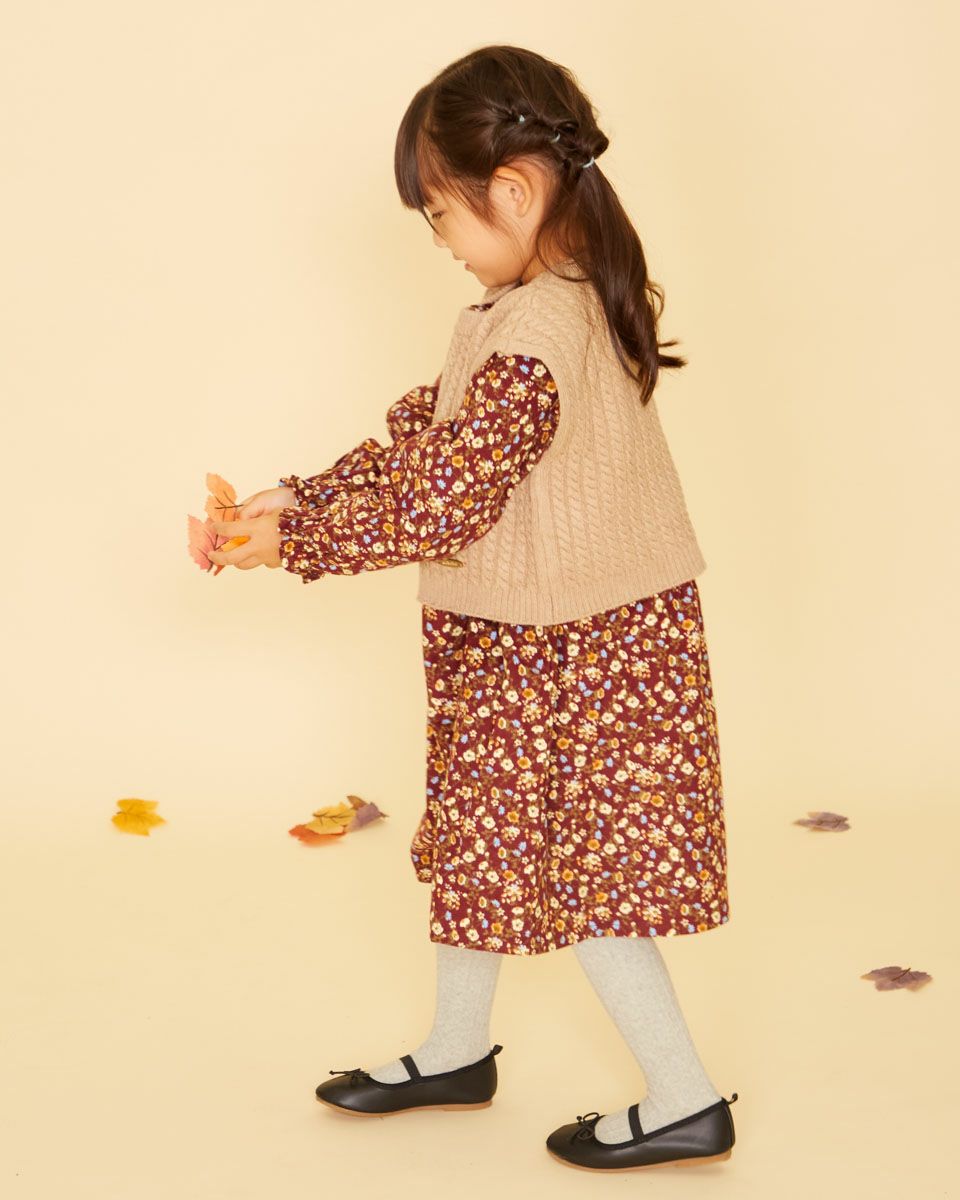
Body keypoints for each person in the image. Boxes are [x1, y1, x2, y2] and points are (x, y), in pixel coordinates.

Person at [206, 43, 738, 1172]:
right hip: (523, 642)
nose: (440, 238)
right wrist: (297, 497)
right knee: (480, 843)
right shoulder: (525, 311)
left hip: (586, 652)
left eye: (443, 213)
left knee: (595, 880)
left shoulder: (539, 336)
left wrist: (295, 544)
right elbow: (428, 444)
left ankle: (686, 1098)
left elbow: (444, 499)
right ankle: (456, 1051)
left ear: (516, 191)